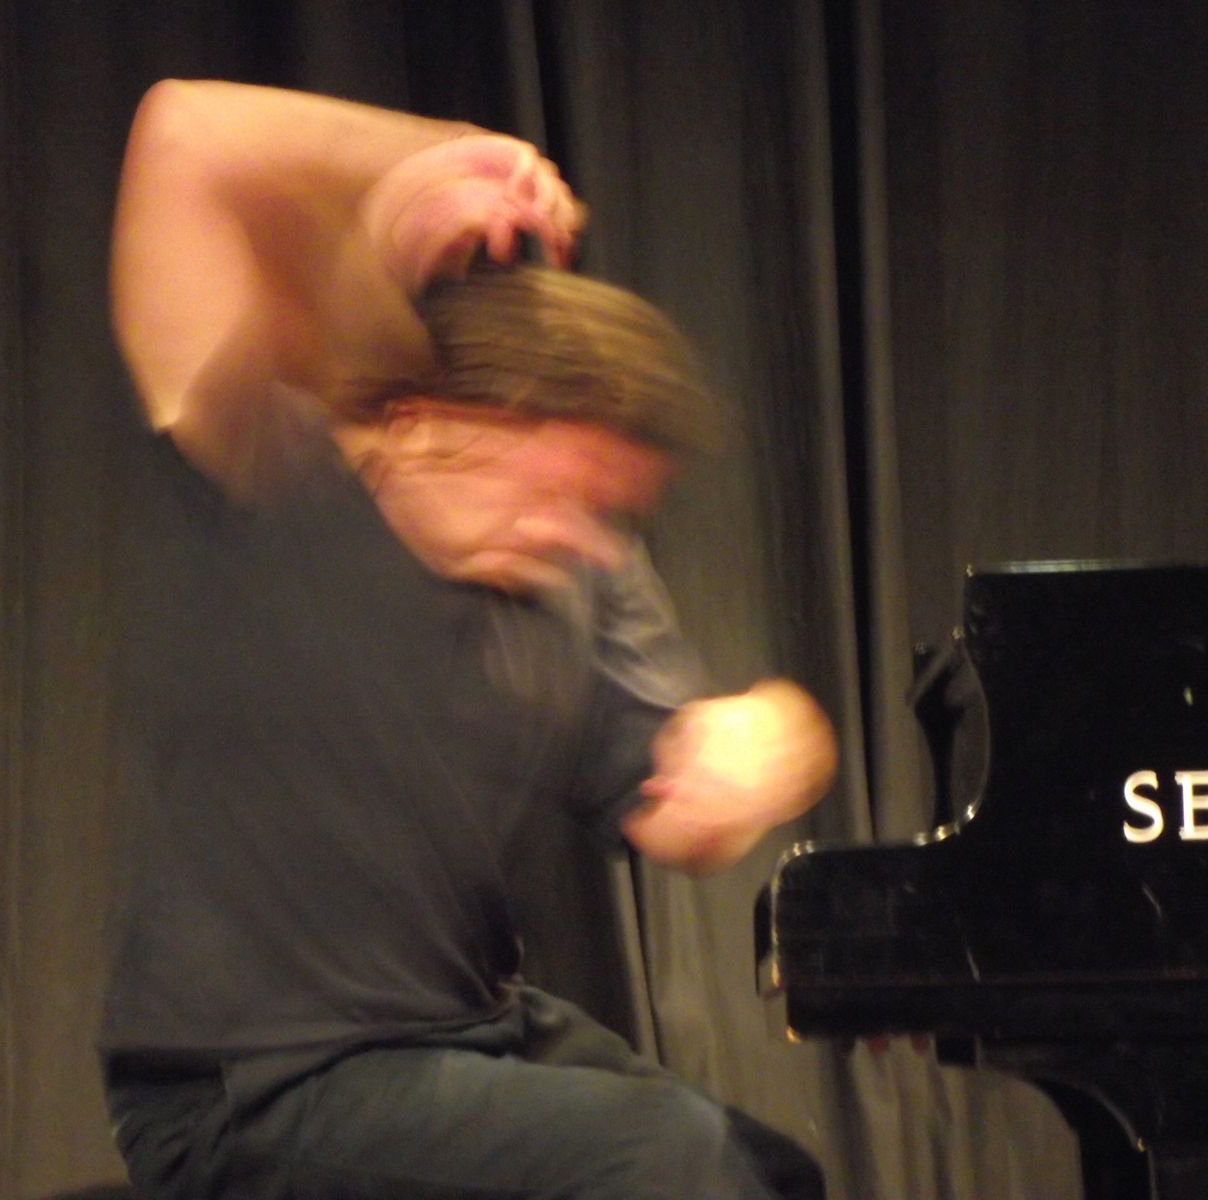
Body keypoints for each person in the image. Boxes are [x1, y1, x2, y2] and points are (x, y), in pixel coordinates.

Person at [100, 79, 838, 1200]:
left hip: (465, 1040)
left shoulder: (580, 577)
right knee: (667, 1161)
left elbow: (675, 810)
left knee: (770, 1176)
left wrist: (768, 744)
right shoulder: (275, 461)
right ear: (429, 425)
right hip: (255, 1083)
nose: (584, 538)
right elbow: (184, 134)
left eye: (606, 509)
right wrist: (430, 156)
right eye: (559, 490)